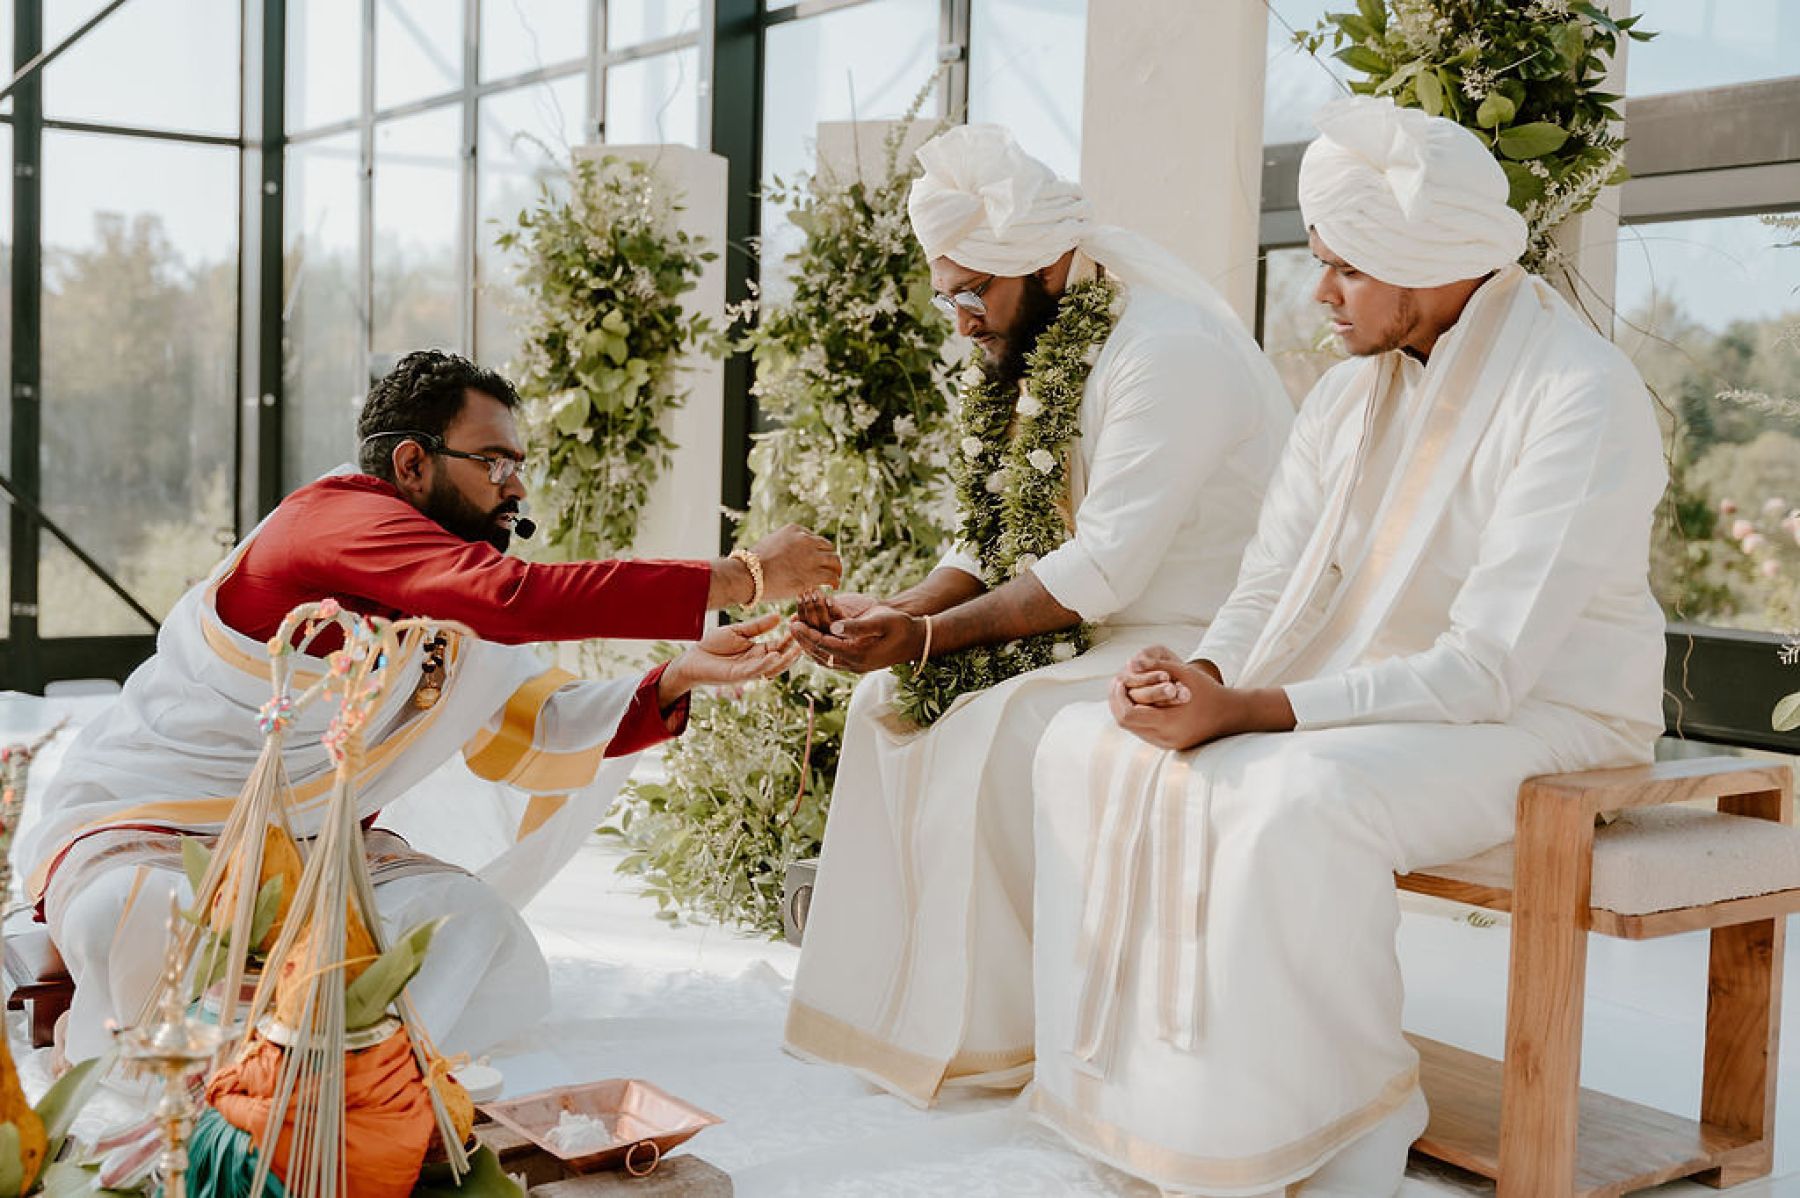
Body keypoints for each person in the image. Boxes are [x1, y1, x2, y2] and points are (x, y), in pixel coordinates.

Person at [1028, 96, 1669, 1196]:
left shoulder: (1579, 394)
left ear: (1424, 265)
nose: (1319, 291)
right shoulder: (1341, 392)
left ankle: (1324, 1132)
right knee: (1082, 745)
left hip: (1551, 720)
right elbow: (1270, 582)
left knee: (1295, 798)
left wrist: (1255, 713)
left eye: (1343, 267)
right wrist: (1207, 674)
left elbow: (1486, 670)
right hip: (1383, 704)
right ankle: (1167, 1115)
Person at [22, 349, 841, 1062]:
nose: (515, 483)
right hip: (156, 832)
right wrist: (741, 577)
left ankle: (342, 1071)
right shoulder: (332, 519)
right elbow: (515, 599)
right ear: (412, 463)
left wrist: (679, 677)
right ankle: (226, 1067)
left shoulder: (456, 584)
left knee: (476, 928)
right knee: (130, 919)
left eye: (519, 462)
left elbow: (535, 719)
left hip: (312, 852)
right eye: (493, 461)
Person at [783, 124, 1294, 1106]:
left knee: (1001, 723)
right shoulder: (1032, 346)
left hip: (1198, 638)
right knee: (884, 700)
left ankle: (1019, 1034)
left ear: (1047, 262)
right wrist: (891, 615)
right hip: (1088, 622)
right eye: (951, 299)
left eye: (976, 293)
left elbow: (1102, 566)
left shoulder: (1166, 351)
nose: (965, 321)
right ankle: (898, 1018)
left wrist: (930, 635)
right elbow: (989, 540)